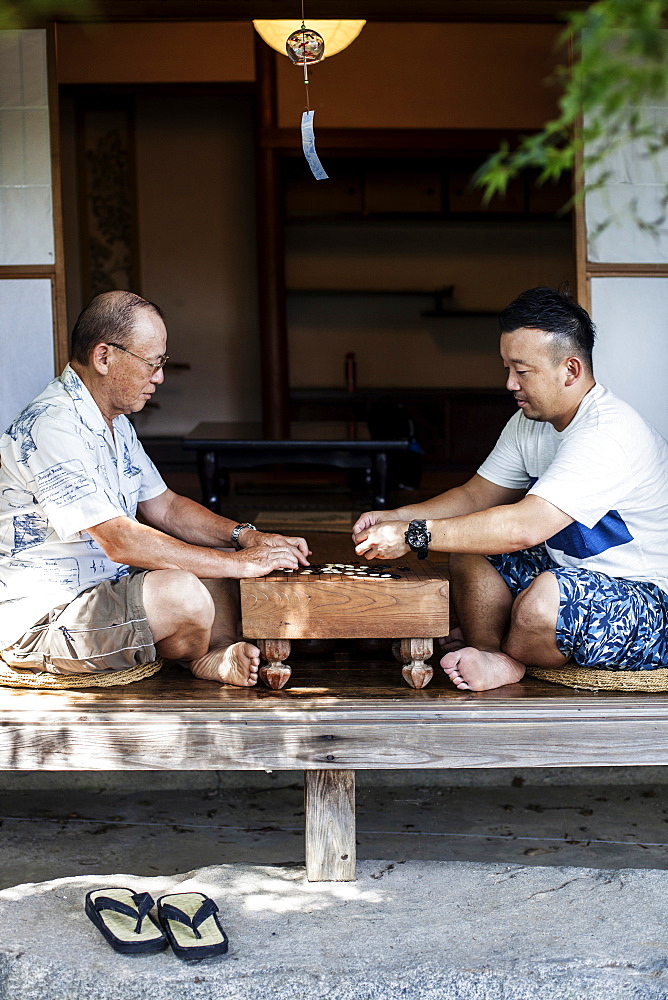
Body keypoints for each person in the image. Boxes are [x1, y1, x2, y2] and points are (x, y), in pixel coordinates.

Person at [352, 286, 668, 691]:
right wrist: (398, 516)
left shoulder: (608, 432)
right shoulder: (530, 423)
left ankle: (511, 653)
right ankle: (489, 652)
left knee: (543, 601)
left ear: (570, 370)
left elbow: (526, 527)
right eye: (506, 369)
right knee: (471, 548)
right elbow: (476, 496)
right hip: (571, 575)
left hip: (651, 600)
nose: (509, 384)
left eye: (522, 371)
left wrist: (415, 535)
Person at [0, 291, 310, 686]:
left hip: (107, 591)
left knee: (211, 554)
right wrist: (240, 565)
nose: (159, 377)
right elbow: (119, 540)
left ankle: (215, 652)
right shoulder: (52, 425)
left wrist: (247, 538)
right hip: (47, 617)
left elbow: (165, 507)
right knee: (184, 590)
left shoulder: (113, 421)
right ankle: (202, 653)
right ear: (104, 357)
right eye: (151, 363)